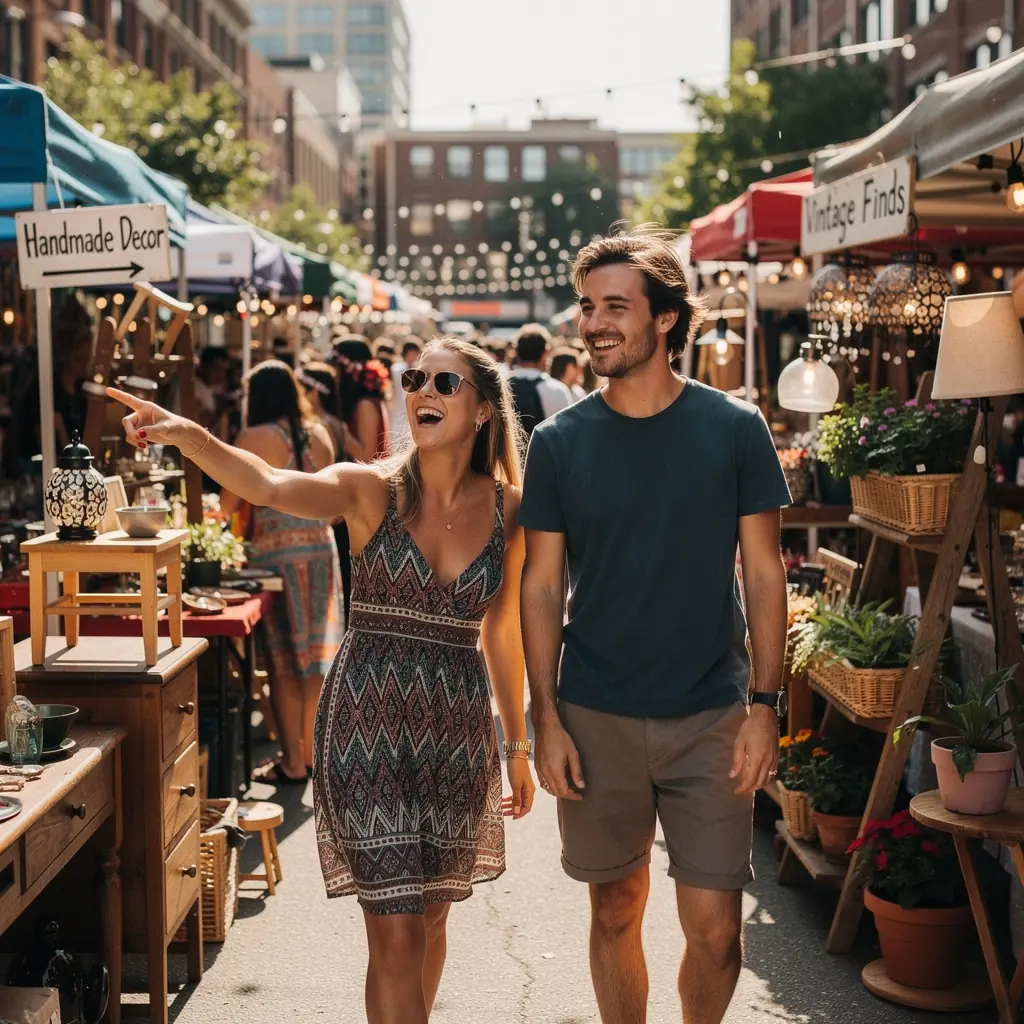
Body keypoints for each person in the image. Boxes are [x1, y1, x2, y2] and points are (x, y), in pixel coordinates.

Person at [107, 336, 534, 1024]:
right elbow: (268, 484)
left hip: (455, 736)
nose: (422, 393)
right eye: (414, 379)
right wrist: (187, 434)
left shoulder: (512, 510)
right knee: (395, 932)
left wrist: (517, 746)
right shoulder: (370, 490)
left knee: (430, 921)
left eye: (444, 383)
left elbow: (505, 635)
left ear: (483, 408)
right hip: (365, 729)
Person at [519, 232, 791, 1024]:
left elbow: (764, 572)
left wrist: (766, 706)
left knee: (715, 931)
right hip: (594, 711)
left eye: (615, 307)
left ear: (667, 318)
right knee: (615, 907)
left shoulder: (734, 427)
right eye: (586, 307)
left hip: (712, 713)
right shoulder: (558, 442)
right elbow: (541, 585)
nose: (593, 324)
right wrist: (544, 716)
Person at [217, 361, 344, 785]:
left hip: (278, 559)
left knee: (283, 662)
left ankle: (291, 761)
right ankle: (310, 756)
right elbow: (333, 507)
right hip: (321, 552)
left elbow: (227, 506)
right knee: (314, 661)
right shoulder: (320, 434)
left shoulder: (253, 437)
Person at [330, 337, 391, 622]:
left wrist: (337, 427)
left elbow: (366, 454)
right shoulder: (368, 401)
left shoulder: (365, 404)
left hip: (363, 497)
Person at [507, 323, 573, 435]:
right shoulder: (557, 391)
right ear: (545, 353)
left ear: (516, 352)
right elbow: (567, 433)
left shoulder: (499, 386)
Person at [298, 361, 348, 461]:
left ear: (314, 392)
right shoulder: (337, 422)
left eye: (300, 390)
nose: (297, 395)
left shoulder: (321, 426)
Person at [388, 336, 424, 446]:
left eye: (415, 354)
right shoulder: (396, 369)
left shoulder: (420, 370)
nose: (413, 357)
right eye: (411, 353)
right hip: (397, 411)